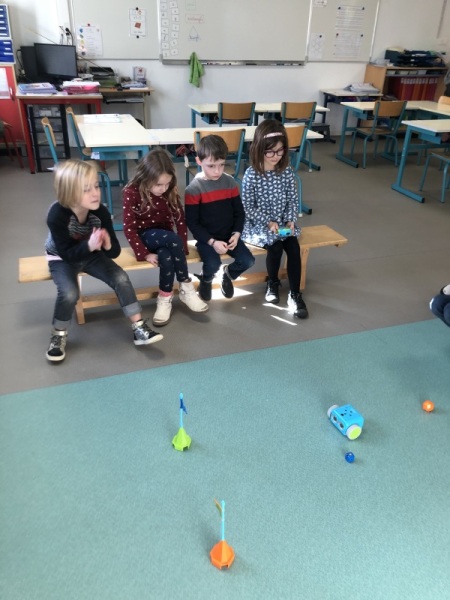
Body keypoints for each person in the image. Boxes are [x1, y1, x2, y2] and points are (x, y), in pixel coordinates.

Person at [45, 159, 162, 363]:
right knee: (69, 293)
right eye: (86, 189)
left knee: (120, 278)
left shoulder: (100, 212)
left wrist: (107, 245)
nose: (95, 193)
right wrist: (90, 246)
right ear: (69, 193)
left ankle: (138, 327)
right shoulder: (57, 215)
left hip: (91, 253)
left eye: (96, 186)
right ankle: (58, 334)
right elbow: (67, 254)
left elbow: (114, 251)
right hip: (62, 258)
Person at [123, 149, 208, 326]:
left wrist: (182, 247)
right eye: (159, 185)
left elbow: (180, 219)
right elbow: (129, 228)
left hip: (166, 238)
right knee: (172, 240)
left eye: (167, 184)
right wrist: (144, 253)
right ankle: (186, 286)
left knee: (167, 258)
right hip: (145, 236)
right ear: (145, 178)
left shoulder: (168, 190)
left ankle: (164, 298)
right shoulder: (131, 192)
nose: (163, 189)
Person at [241, 119, 308, 319]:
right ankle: (272, 282)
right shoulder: (251, 174)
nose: (275, 156)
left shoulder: (286, 171)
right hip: (259, 226)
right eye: (270, 152)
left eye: (280, 151)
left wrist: (290, 220)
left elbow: (292, 199)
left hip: (282, 224)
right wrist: (268, 222)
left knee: (293, 247)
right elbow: (248, 207)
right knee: (275, 247)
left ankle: (295, 294)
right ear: (259, 149)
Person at [184, 134, 255, 301]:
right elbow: (193, 223)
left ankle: (227, 274)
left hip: (230, 237)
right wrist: (212, 242)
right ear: (199, 161)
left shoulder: (230, 183)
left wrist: (237, 233)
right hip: (207, 239)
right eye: (211, 166)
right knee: (213, 264)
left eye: (222, 164)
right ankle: (206, 278)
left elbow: (239, 213)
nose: (217, 171)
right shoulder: (193, 189)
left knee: (248, 261)